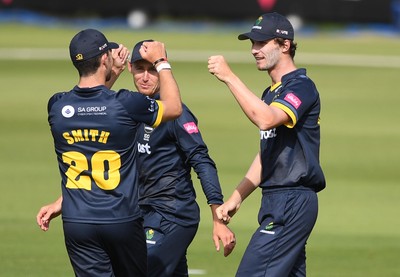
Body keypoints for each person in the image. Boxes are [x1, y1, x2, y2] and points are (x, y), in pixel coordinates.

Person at [37, 39, 236, 277]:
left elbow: (202, 161)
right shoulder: (128, 109)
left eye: (152, 69)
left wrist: (218, 217)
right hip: (139, 214)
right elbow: (99, 118)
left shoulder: (176, 115)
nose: (145, 77)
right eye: (139, 69)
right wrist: (62, 201)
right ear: (129, 68)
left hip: (171, 214)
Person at [208, 12, 326, 276]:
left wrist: (229, 77)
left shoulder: (301, 86)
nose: (254, 50)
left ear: (285, 45)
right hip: (275, 200)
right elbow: (267, 155)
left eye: (262, 43)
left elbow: (266, 120)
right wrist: (236, 199)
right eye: (252, 43)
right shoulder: (271, 93)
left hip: (292, 200)